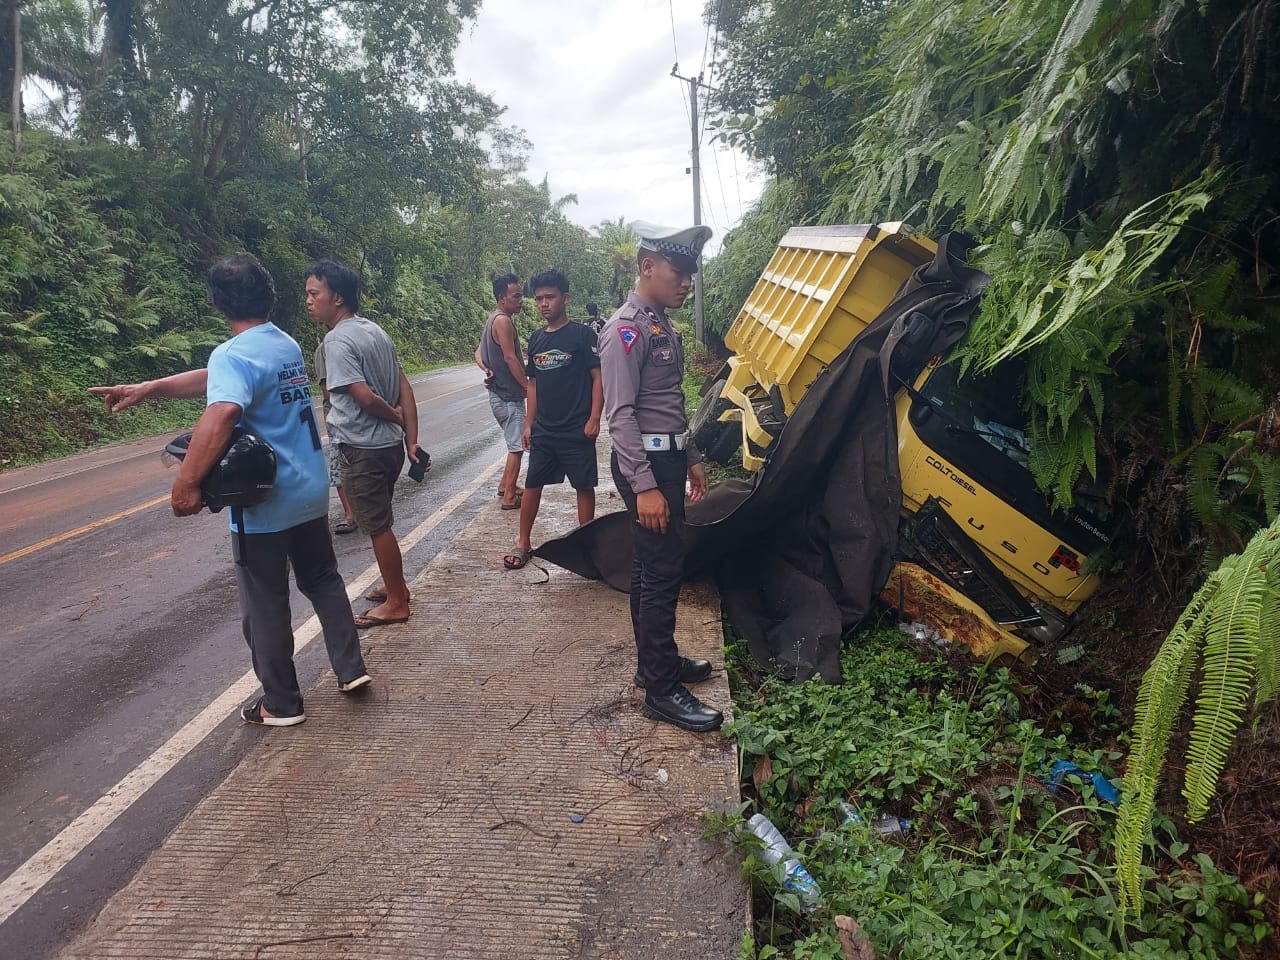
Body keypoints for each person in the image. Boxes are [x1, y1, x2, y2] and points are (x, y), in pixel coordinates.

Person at [89, 254, 371, 727]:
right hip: (308, 487)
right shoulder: (282, 344)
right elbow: (221, 380)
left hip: (266, 502)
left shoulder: (233, 356)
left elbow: (221, 411)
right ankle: (350, 669)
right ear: (271, 296)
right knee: (322, 580)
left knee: (265, 599)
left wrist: (186, 484)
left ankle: (281, 703)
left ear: (216, 302)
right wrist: (150, 387)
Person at [598, 223, 721, 734]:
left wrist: (690, 455)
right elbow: (621, 416)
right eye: (679, 270)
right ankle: (661, 691)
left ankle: (657, 667)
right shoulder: (626, 328)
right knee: (662, 570)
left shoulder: (658, 323)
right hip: (644, 467)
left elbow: (667, 406)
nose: (687, 280)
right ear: (648, 266)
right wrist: (646, 485)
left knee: (653, 571)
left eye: (692, 272)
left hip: (666, 460)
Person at [306, 259, 421, 629]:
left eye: (314, 293)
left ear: (336, 298)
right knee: (382, 520)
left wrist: (394, 416)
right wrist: (410, 438)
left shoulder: (336, 341)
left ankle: (398, 601)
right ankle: (394, 586)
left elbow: (364, 397)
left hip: (363, 447)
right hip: (387, 447)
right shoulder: (375, 331)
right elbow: (404, 385)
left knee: (376, 525)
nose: (308, 300)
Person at [503, 269, 602, 571]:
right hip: (545, 428)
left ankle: (588, 548)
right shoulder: (535, 340)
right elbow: (532, 384)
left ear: (565, 298)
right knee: (533, 484)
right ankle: (523, 542)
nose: (544, 303)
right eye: (539, 299)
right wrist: (529, 423)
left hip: (577, 428)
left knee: (583, 487)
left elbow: (598, 378)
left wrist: (595, 417)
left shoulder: (584, 336)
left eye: (550, 297)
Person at [474, 274, 529, 509]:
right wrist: (528, 387)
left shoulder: (492, 319)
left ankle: (505, 485)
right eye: (516, 296)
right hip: (508, 397)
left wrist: (486, 368)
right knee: (517, 447)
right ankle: (509, 497)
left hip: (498, 395)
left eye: (521, 295)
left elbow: (477, 353)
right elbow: (510, 357)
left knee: (513, 442)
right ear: (501, 298)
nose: (521, 300)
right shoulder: (503, 321)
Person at [314, 341, 358, 535]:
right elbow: (327, 390)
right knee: (339, 465)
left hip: (355, 413)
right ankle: (350, 514)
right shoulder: (325, 349)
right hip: (339, 418)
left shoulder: (354, 342)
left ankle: (357, 512)